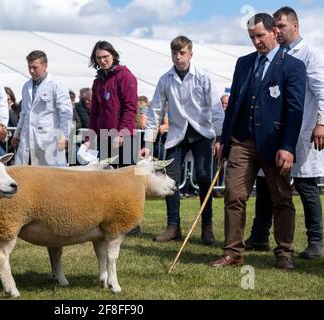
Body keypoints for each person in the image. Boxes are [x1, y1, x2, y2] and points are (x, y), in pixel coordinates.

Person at [210, 13, 306, 270]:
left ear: (275, 32)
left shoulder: (293, 66)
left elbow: (295, 110)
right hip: (242, 139)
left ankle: (284, 252)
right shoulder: (243, 63)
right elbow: (234, 107)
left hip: (275, 144)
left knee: (282, 198)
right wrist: (223, 138)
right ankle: (233, 252)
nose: (256, 41)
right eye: (252, 37)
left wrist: (287, 146)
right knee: (234, 195)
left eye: (260, 35)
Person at [245, 7, 324, 259]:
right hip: (273, 132)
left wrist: (321, 123)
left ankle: (316, 240)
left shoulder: (310, 54)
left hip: (304, 129)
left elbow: (322, 91)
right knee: (267, 182)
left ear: (295, 25)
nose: (277, 30)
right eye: (275, 26)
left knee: (305, 184)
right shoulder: (273, 56)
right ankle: (259, 235)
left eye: (282, 25)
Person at [141, 35, 224, 245]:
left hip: (202, 133)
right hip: (176, 135)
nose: (178, 57)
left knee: (205, 178)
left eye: (182, 53)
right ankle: (173, 227)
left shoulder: (203, 77)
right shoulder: (165, 79)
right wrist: (148, 144)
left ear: (190, 54)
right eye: (174, 53)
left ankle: (207, 228)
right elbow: (155, 111)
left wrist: (220, 137)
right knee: (170, 180)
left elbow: (216, 109)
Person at [83, 40, 139, 234]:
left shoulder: (126, 77)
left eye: (106, 57)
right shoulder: (98, 81)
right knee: (107, 179)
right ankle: (110, 220)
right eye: (99, 58)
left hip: (125, 136)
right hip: (106, 135)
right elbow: (95, 112)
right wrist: (91, 136)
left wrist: (123, 132)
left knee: (128, 181)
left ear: (113, 55)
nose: (103, 61)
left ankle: (133, 223)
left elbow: (131, 108)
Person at [12, 50, 72, 166]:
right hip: (28, 138)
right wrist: (17, 134)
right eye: (29, 67)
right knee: (26, 175)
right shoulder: (26, 86)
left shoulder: (56, 85)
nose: (31, 71)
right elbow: (24, 113)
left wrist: (64, 136)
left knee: (52, 176)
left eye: (35, 67)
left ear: (45, 66)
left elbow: (65, 113)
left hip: (49, 139)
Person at [0, 87, 20, 156]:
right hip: (0, 143)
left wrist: (9, 110)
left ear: (12, 100)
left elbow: (16, 124)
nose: (6, 102)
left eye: (8, 100)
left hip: (12, 142)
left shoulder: (17, 110)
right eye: (4, 100)